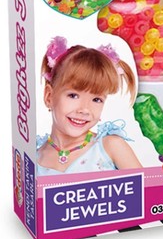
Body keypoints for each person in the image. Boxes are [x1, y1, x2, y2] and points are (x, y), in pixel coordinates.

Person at [37, 36, 142, 175]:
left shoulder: (110, 147)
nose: (84, 109)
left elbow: (148, 187)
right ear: (49, 96)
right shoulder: (35, 160)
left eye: (96, 99)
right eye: (73, 96)